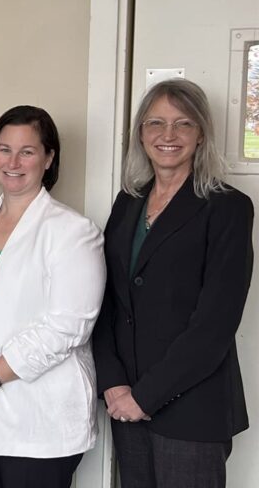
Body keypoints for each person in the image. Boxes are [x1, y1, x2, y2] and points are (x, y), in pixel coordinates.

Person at [92, 78, 253, 488]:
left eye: (183, 124)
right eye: (155, 123)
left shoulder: (228, 208)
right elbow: (108, 300)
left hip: (191, 409)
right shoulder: (128, 201)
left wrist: (144, 398)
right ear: (141, 134)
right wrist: (113, 384)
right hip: (125, 404)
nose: (168, 135)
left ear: (201, 135)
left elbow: (214, 326)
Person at [0, 105, 105, 487]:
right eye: (4, 149)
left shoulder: (73, 232)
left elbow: (67, 326)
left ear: (48, 158)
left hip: (39, 414)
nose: (13, 161)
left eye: (27, 151)